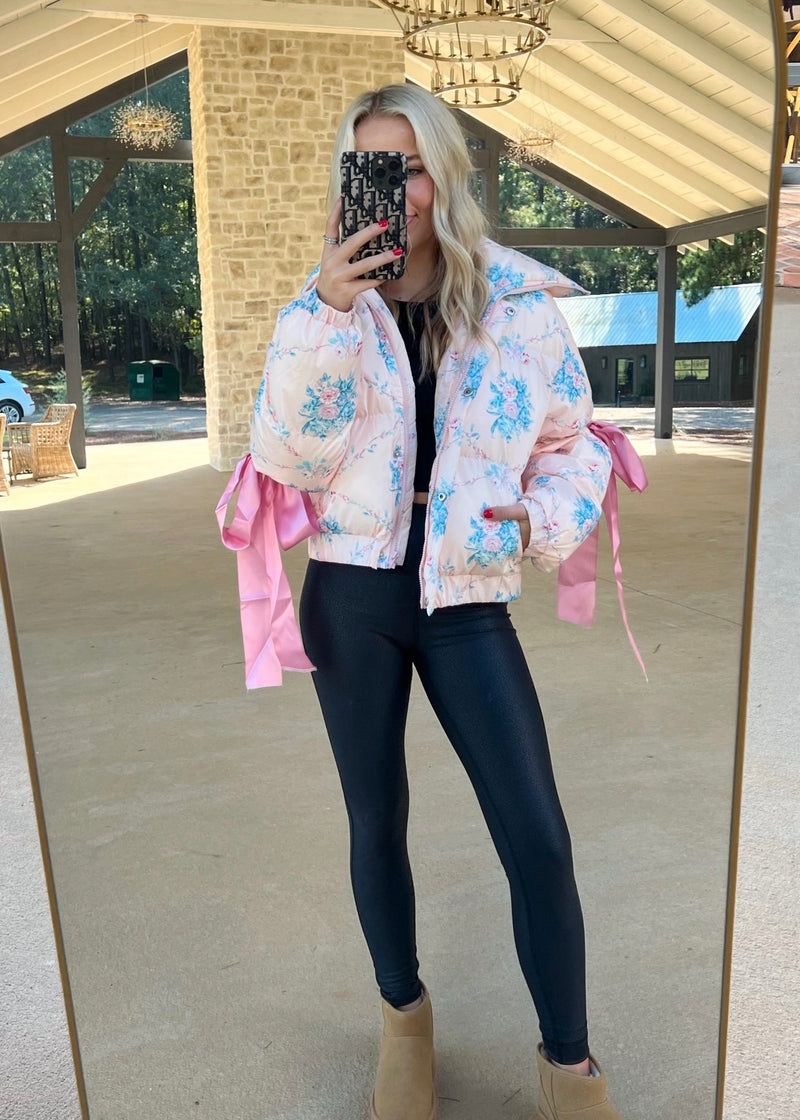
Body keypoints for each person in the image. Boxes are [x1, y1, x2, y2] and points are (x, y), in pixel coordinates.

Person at [251, 83, 623, 1120]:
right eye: (374, 167)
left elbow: (573, 443)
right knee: (377, 820)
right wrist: (327, 313)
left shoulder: (516, 305)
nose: (397, 190)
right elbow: (287, 456)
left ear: (443, 173)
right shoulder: (320, 308)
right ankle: (403, 1022)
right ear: (349, 181)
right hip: (351, 589)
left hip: (466, 594)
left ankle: (570, 1069)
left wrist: (539, 519)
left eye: (411, 166)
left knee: (537, 835)